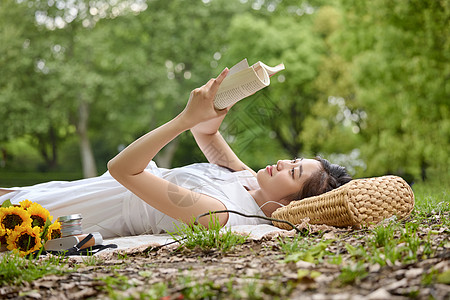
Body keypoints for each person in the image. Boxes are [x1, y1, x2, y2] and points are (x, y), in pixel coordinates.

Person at [0, 68, 352, 238]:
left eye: (292, 172)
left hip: (99, 209)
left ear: (289, 205)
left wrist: (183, 118)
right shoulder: (248, 179)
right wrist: (217, 104)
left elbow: (124, 170)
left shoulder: (220, 213)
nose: (281, 163)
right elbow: (206, 133)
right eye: (292, 160)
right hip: (103, 189)